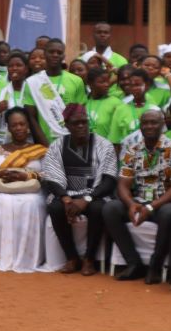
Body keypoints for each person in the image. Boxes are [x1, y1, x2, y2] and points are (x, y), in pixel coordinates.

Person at [103, 107, 171, 284]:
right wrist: (130, 204)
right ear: (140, 126)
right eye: (145, 123)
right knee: (110, 208)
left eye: (154, 122)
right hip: (139, 201)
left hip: (165, 202)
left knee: (168, 213)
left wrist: (151, 207)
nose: (149, 126)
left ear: (163, 125)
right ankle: (133, 263)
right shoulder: (132, 150)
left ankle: (155, 267)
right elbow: (123, 183)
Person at [39, 103, 117, 276]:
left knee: (98, 209)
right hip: (67, 195)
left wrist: (86, 199)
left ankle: (89, 259)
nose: (81, 126)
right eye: (76, 123)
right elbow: (51, 177)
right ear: (67, 125)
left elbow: (109, 180)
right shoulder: (57, 146)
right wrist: (66, 199)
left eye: (84, 122)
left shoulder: (104, 145)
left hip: (95, 195)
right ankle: (72, 257)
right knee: (55, 207)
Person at [0, 108, 50, 272]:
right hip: (2, 190)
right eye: (14, 125)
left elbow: (47, 174)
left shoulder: (38, 150)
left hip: (29, 192)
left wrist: (27, 176)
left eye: (22, 124)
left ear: (28, 126)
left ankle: (26, 256)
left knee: (30, 203)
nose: (19, 128)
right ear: (8, 127)